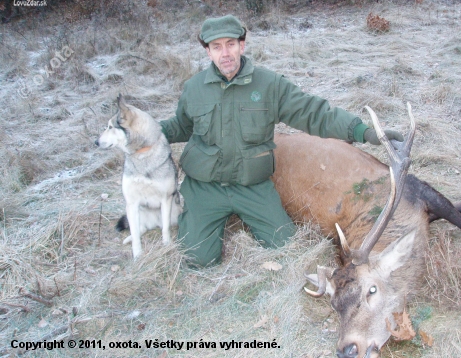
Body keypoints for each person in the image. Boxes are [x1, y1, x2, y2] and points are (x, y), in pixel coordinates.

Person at [160, 15, 403, 267]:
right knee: (196, 260)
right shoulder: (193, 88)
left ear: (242, 46)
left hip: (251, 186)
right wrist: (146, 131)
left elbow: (314, 113)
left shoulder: (269, 85)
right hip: (205, 187)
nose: (225, 53)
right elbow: (181, 126)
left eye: (230, 44)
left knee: (287, 251)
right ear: (208, 52)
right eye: (217, 47)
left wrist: (365, 132)